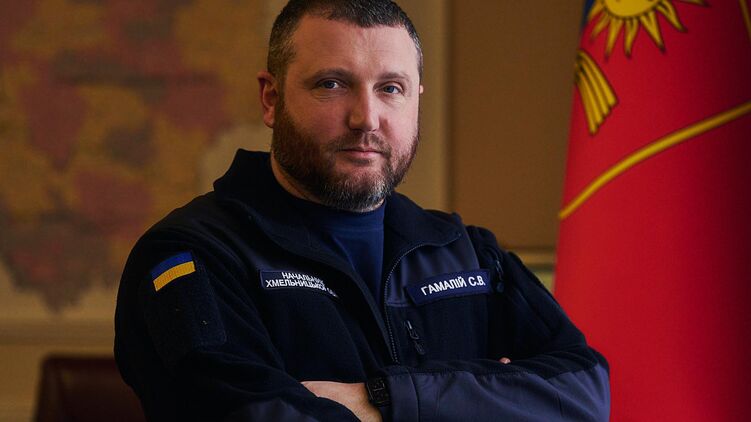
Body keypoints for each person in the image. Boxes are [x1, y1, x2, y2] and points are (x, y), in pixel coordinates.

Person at [114, 0, 611, 420]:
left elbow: (586, 395)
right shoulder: (192, 255)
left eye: (390, 88)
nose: (366, 118)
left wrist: (383, 400)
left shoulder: (469, 254)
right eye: (332, 84)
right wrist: (486, 398)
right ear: (271, 98)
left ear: (416, 100)